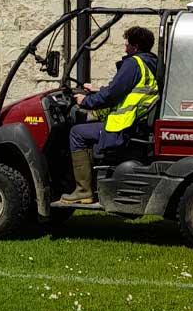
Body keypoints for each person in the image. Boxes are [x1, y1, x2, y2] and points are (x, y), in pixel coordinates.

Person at [61, 26, 159, 204]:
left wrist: (85, 101)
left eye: (127, 43)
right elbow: (126, 91)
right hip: (137, 123)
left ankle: (83, 191)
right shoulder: (151, 63)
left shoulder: (133, 63)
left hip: (122, 127)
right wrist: (97, 90)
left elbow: (112, 95)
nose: (125, 47)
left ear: (135, 46)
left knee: (77, 133)